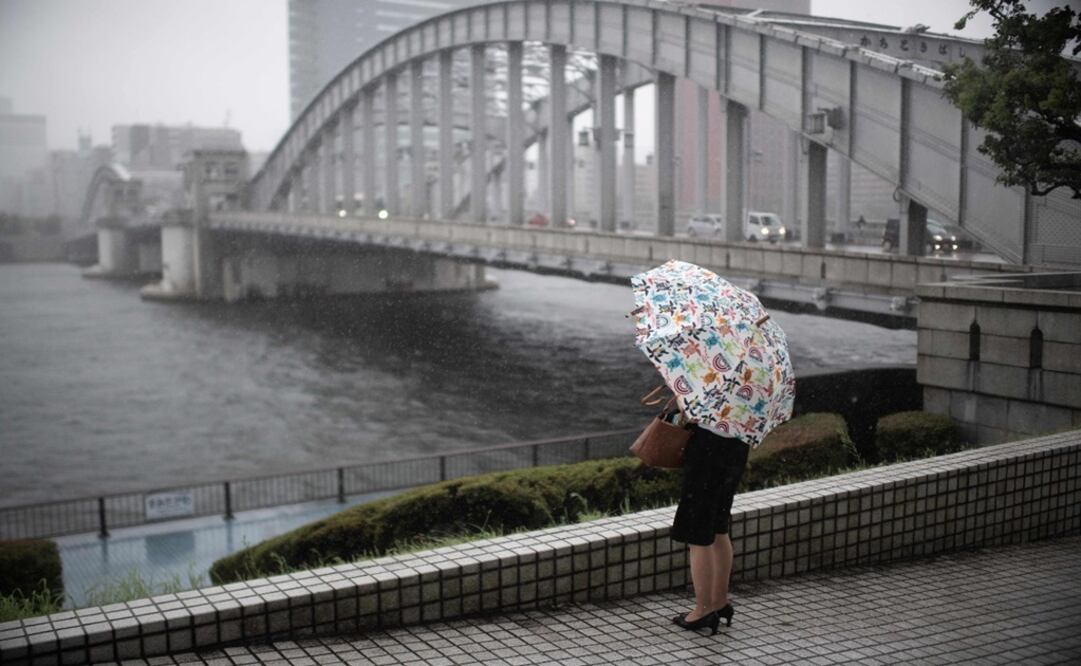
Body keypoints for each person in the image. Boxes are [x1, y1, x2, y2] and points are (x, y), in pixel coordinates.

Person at [669, 422, 750, 635]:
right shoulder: (754, 390)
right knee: (718, 528)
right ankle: (719, 602)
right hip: (737, 446)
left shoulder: (711, 389)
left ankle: (703, 610)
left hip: (707, 448)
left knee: (698, 535)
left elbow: (691, 404)